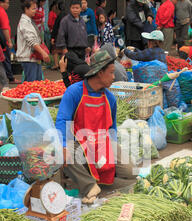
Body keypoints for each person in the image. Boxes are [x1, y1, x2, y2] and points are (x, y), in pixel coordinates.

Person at [55, 50, 136, 204]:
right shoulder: (74, 92)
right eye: (111, 73)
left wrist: (111, 148)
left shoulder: (110, 98)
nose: (114, 77)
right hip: (79, 141)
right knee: (62, 153)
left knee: (130, 171)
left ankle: (99, 175)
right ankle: (90, 186)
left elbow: (112, 128)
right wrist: (64, 145)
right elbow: (62, 120)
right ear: (99, 73)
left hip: (101, 142)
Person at [16, 0, 50, 82]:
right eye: (33, 9)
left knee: (37, 84)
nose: (35, 11)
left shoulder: (30, 21)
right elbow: (32, 42)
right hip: (28, 58)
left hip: (33, 58)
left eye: (36, 8)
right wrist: (43, 53)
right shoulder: (25, 22)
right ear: (26, 9)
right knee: (31, 86)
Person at [0, 0, 21, 84]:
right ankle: (11, 78)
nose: (8, 5)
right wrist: (9, 41)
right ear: (1, 2)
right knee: (6, 59)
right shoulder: (2, 12)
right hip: (2, 41)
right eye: (7, 3)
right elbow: (5, 28)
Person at [48, 0, 60, 70]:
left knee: (55, 50)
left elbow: (49, 23)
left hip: (54, 32)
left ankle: (56, 64)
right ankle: (58, 64)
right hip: (57, 32)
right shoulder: (56, 14)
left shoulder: (52, 13)